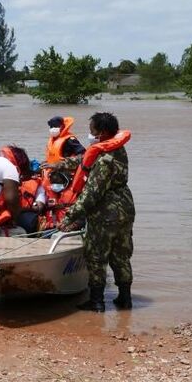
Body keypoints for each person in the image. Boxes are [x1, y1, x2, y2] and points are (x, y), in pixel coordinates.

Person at [56, 112, 135, 312]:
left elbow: (91, 194)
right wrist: (60, 165)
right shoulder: (118, 149)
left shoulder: (104, 161)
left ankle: (97, 302)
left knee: (96, 256)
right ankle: (125, 300)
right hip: (125, 208)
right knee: (121, 255)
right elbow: (84, 159)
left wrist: (69, 216)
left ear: (102, 133)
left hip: (106, 213)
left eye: (92, 131)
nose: (89, 135)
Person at [41, 116, 86, 229]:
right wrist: (47, 163)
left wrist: (61, 164)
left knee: (67, 201)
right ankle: (51, 224)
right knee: (51, 201)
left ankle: (69, 224)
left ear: (62, 126)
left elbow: (83, 156)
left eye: (55, 126)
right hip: (53, 176)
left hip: (67, 177)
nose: (52, 129)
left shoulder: (70, 140)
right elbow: (54, 157)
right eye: (51, 127)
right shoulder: (53, 140)